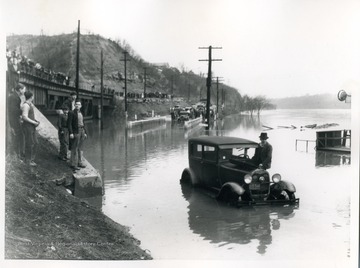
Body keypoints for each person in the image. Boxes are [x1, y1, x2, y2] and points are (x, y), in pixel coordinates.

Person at [7, 83, 26, 160]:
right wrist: (22, 110)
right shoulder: (15, 98)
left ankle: (17, 153)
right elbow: (13, 110)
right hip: (14, 120)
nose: (24, 91)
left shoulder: (14, 96)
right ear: (20, 89)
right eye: (24, 89)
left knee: (18, 136)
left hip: (13, 119)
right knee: (19, 136)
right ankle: (17, 154)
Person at [21, 91, 40, 166]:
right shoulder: (26, 105)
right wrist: (33, 122)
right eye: (33, 96)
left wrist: (35, 121)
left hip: (31, 126)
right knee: (29, 143)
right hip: (28, 127)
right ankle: (28, 160)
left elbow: (29, 116)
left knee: (35, 143)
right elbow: (24, 117)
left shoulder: (30, 104)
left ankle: (31, 159)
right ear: (32, 96)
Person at [68, 100, 87, 171]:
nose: (77, 105)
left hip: (82, 130)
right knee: (74, 148)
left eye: (78, 104)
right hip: (76, 131)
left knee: (80, 148)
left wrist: (85, 132)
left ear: (81, 106)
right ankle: (73, 164)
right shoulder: (71, 113)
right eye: (76, 104)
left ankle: (80, 162)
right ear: (74, 105)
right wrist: (71, 133)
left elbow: (83, 122)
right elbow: (69, 124)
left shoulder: (81, 113)